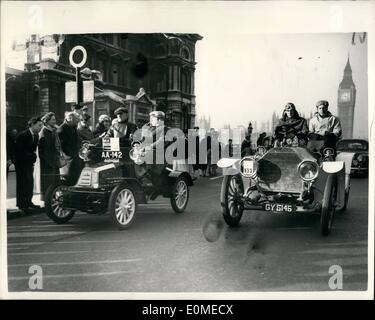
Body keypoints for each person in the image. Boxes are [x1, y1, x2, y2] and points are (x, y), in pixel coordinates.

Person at [15, 116, 43, 211]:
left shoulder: (36, 136)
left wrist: (33, 158)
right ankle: (22, 204)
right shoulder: (23, 135)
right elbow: (19, 151)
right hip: (21, 163)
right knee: (22, 183)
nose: (41, 128)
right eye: (39, 125)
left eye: (41, 125)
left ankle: (28, 202)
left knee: (30, 182)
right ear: (32, 125)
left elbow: (33, 150)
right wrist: (31, 156)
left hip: (29, 163)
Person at [38, 112, 60, 202]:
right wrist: (49, 161)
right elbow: (44, 149)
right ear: (47, 121)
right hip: (47, 162)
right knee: (48, 182)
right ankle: (47, 199)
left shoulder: (53, 130)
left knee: (54, 181)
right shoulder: (44, 132)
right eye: (53, 119)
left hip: (53, 160)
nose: (55, 121)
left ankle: (52, 198)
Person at [57, 112, 81, 186]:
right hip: (68, 157)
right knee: (68, 176)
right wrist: (70, 155)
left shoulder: (73, 127)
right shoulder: (62, 128)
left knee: (75, 175)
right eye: (76, 119)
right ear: (70, 119)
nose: (78, 121)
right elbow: (62, 145)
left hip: (75, 155)